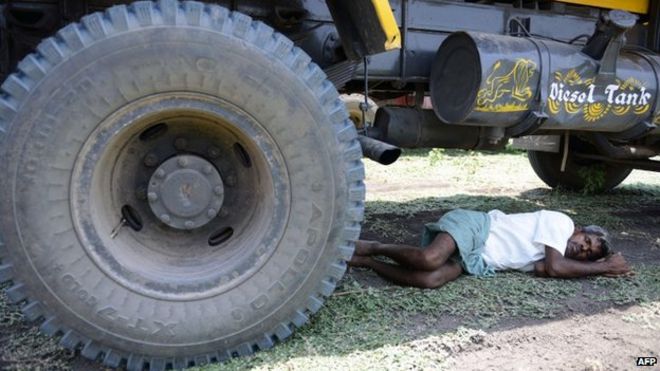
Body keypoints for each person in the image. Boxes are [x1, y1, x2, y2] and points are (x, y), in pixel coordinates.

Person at [348, 209, 632, 289]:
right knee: (429, 259)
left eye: (587, 253)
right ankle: (374, 246)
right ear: (580, 230)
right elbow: (556, 267)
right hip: (476, 227)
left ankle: (368, 263)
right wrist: (603, 267)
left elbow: (548, 269)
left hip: (477, 258)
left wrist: (598, 269)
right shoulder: (561, 222)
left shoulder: (548, 255)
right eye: (586, 242)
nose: (581, 249)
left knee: (430, 279)